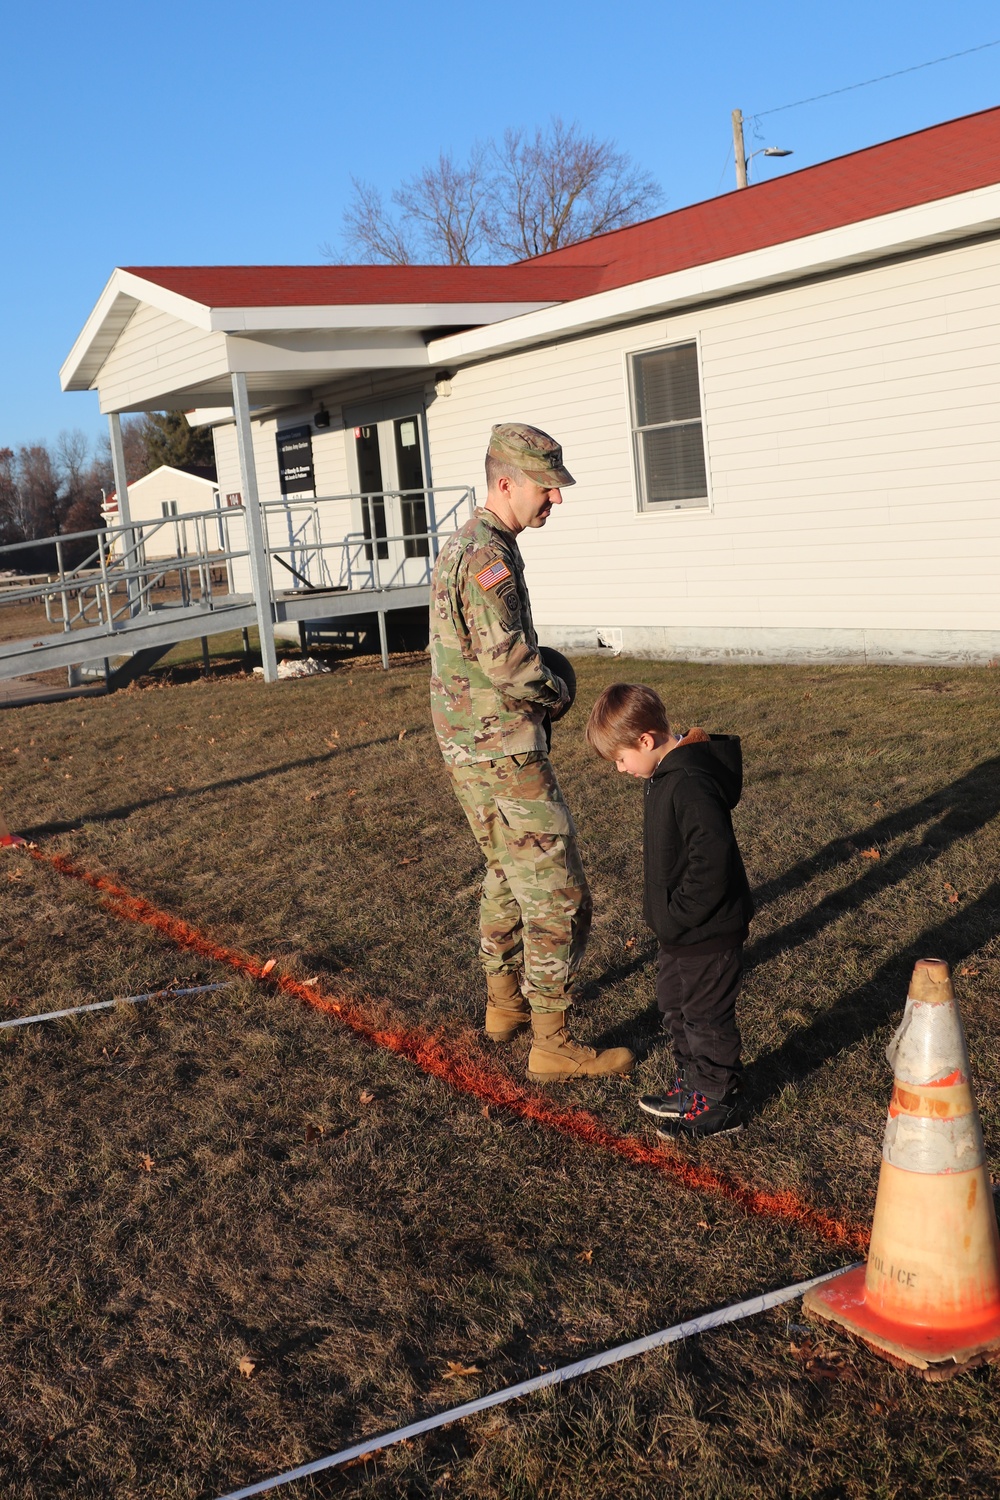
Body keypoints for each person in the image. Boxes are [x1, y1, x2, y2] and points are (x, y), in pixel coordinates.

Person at [430, 423, 633, 1082]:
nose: (556, 501)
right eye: (547, 488)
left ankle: (505, 1006)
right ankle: (551, 1041)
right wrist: (557, 692)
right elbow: (510, 664)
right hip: (502, 748)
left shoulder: (463, 545)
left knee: (504, 871)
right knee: (558, 891)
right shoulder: (487, 559)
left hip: (469, 746)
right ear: (507, 483)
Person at [585, 683, 754, 1137]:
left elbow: (711, 861)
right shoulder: (664, 774)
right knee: (675, 1005)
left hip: (706, 930)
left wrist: (678, 914)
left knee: (705, 1014)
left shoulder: (691, 783)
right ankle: (693, 1084)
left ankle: (718, 1099)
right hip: (679, 931)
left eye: (620, 758)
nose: (619, 769)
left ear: (646, 740)